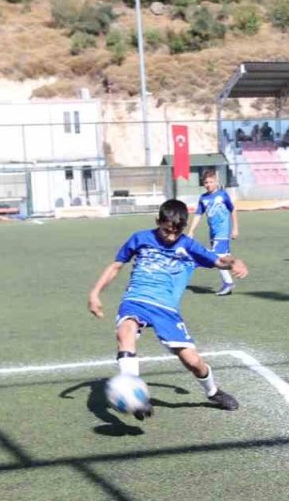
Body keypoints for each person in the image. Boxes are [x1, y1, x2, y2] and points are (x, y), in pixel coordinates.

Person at [88, 199, 249, 413]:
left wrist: (235, 261)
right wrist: (95, 292)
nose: (171, 236)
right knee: (125, 332)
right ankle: (134, 391)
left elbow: (219, 261)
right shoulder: (140, 238)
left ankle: (213, 392)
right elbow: (116, 266)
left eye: (176, 232)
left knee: (192, 362)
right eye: (166, 231)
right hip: (136, 299)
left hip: (166, 309)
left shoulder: (188, 245)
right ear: (158, 221)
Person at [187, 167, 240, 296]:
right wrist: (191, 231)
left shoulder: (222, 195)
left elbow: (232, 209)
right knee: (222, 257)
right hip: (213, 233)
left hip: (222, 232)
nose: (208, 185)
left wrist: (235, 228)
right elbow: (198, 214)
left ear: (216, 182)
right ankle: (230, 278)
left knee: (216, 256)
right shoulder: (203, 198)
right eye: (206, 182)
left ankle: (228, 282)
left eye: (211, 182)